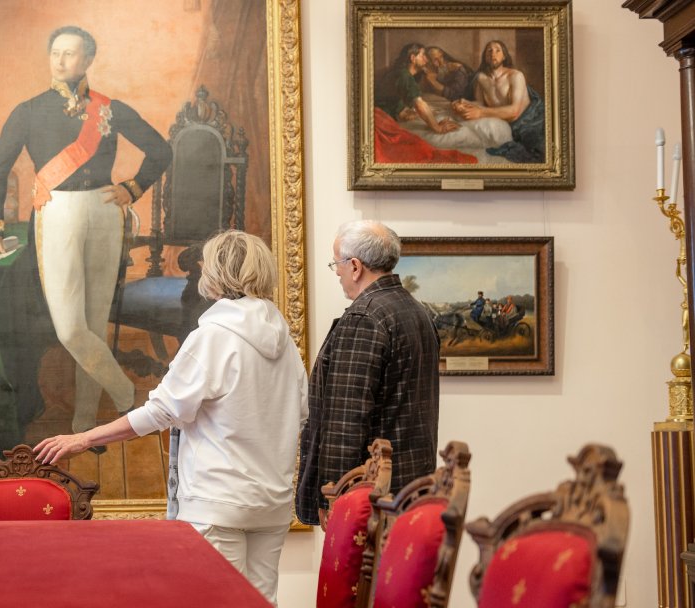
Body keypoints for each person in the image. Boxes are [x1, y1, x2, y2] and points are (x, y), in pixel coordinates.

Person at [34, 230, 308, 605]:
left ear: (218, 274)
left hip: (218, 500)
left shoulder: (213, 336)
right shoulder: (284, 341)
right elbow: (302, 412)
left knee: (216, 602)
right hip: (271, 503)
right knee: (263, 601)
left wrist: (84, 438)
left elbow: (160, 411)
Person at [0, 25, 171, 434]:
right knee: (70, 328)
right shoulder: (28, 111)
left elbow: (161, 149)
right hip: (57, 213)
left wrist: (133, 188)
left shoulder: (109, 109)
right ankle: (127, 393)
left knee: (95, 323)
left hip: (104, 213)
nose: (61, 61)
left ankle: (85, 423)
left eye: (70, 53)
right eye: (56, 53)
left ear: (88, 60)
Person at [296, 220, 440, 529]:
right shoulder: (416, 311)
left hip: (371, 497)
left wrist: (332, 497)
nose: (337, 272)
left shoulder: (365, 317)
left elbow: (345, 420)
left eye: (337, 264)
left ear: (355, 266)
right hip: (412, 487)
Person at [452, 40, 545, 162]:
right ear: (485, 57)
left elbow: (514, 111)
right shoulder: (480, 78)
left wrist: (480, 113)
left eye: (497, 50)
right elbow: (480, 104)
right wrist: (463, 103)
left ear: (504, 56)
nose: (493, 54)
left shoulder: (515, 76)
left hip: (528, 122)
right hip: (504, 123)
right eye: (489, 51)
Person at [374, 42, 459, 134]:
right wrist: (437, 127)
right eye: (422, 55)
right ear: (413, 58)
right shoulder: (404, 75)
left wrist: (402, 111)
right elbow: (419, 103)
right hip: (379, 119)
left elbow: (393, 98)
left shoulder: (403, 72)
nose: (426, 59)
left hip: (387, 115)